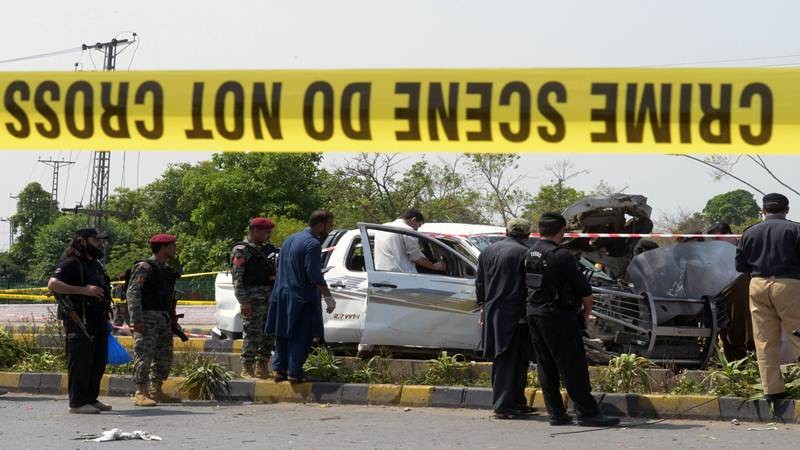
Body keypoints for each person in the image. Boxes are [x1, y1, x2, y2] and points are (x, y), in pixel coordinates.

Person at [525, 212, 620, 427]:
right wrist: (586, 313)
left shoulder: (531, 253)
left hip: (535, 313)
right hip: (558, 315)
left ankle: (556, 413)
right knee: (573, 365)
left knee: (546, 364)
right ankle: (588, 413)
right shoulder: (561, 255)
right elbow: (585, 290)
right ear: (562, 232)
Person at [735, 193, 800, 400]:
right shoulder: (796, 229)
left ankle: (772, 391)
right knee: (797, 334)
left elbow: (740, 265)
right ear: (786, 210)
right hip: (789, 284)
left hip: (758, 284)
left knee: (764, 340)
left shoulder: (750, 232)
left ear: (763, 210)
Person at [47, 228, 113, 414]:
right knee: (80, 361)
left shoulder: (95, 264)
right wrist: (84, 290)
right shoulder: (71, 262)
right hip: (79, 319)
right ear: (83, 241)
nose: (100, 244)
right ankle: (77, 403)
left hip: (98, 318)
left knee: (98, 361)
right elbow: (53, 284)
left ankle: (90, 399)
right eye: (96, 240)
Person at [266, 210, 337, 383]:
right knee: (302, 334)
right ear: (320, 224)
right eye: (330, 225)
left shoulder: (290, 239)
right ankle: (295, 372)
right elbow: (313, 274)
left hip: (281, 294)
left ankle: (280, 370)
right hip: (301, 297)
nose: (331, 228)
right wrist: (328, 296)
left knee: (283, 333)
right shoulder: (312, 244)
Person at [475, 218, 536, 419]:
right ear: (527, 234)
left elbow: (480, 283)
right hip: (514, 315)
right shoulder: (524, 253)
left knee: (512, 360)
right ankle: (503, 405)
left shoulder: (487, 251)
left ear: (506, 231)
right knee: (510, 360)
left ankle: (516, 402)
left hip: (494, 312)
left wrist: (483, 307)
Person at [127, 233, 182, 407]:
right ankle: (140, 392)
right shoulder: (144, 267)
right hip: (147, 316)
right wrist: (136, 319)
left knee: (164, 355)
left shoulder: (165, 270)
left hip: (162, 317)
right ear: (164, 248)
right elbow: (133, 292)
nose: (175, 249)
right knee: (144, 355)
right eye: (172, 246)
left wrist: (172, 318)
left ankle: (155, 390)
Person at [231, 217, 279, 379]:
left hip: (269, 297)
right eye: (266, 232)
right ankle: (247, 367)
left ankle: (262, 365)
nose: (269, 236)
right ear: (255, 231)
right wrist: (243, 302)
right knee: (252, 332)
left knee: (269, 333)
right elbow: (237, 279)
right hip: (253, 299)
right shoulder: (241, 250)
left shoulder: (268, 249)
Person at [707, 222, 754, 362]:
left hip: (745, 295)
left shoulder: (744, 246)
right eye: (713, 240)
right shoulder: (713, 253)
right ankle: (734, 364)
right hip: (722, 298)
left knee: (745, 331)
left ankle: (749, 363)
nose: (715, 242)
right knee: (727, 332)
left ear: (729, 235)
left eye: (717, 238)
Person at [374, 208, 446, 273]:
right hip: (401, 274)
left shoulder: (383, 227)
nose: (417, 229)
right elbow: (416, 257)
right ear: (413, 219)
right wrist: (435, 267)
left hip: (379, 272)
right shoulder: (408, 230)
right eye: (419, 225)